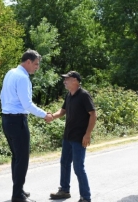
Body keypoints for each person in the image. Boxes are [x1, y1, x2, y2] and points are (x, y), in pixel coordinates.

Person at [0, 49, 54, 202]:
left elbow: (2, 95)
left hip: (6, 119)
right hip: (17, 121)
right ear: (28, 62)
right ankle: (17, 195)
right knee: (22, 158)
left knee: (17, 157)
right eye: (36, 64)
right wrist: (45, 115)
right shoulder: (23, 78)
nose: (37, 67)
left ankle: (19, 190)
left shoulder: (10, 72)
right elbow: (27, 104)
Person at [49, 71, 97, 202]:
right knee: (64, 163)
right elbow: (63, 110)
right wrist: (52, 116)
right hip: (68, 136)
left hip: (79, 137)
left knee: (78, 167)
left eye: (67, 79)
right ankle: (64, 190)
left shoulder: (84, 95)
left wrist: (87, 134)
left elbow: (93, 114)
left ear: (75, 80)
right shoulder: (69, 95)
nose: (64, 81)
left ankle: (85, 197)